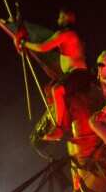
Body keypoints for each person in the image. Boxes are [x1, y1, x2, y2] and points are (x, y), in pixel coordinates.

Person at [16, 8, 88, 142]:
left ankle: (60, 129)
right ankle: (56, 118)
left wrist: (25, 43)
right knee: (49, 89)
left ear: (66, 18)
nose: (57, 20)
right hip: (72, 74)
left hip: (79, 74)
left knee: (57, 90)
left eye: (60, 17)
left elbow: (43, 47)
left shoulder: (67, 34)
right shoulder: (69, 34)